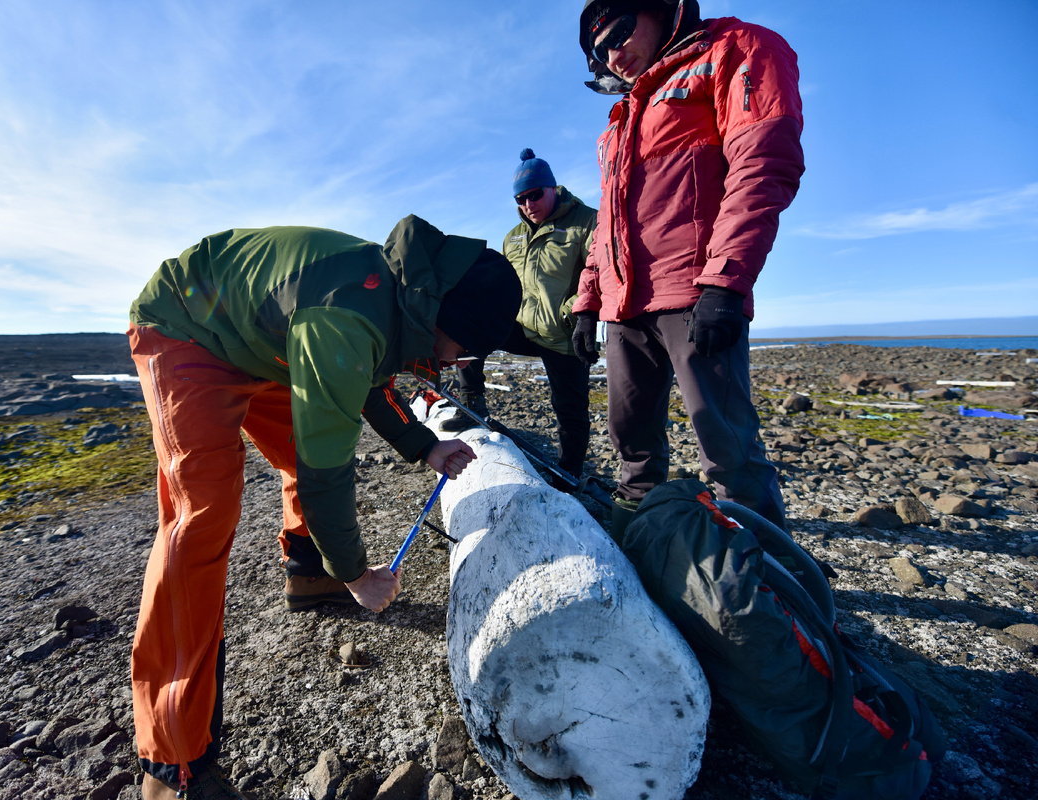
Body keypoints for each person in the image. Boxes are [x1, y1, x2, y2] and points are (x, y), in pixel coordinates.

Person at [126, 215, 522, 799]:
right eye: (468, 347)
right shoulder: (347, 317)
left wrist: (425, 445)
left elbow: (367, 381)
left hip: (261, 342)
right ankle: (172, 763)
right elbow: (326, 470)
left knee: (297, 442)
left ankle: (309, 576)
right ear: (448, 319)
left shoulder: (401, 293)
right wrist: (357, 574)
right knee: (201, 517)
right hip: (187, 327)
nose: (463, 360)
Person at [571, 0, 805, 539]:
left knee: (727, 447)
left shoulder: (733, 49)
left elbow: (761, 165)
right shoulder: (621, 118)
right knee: (631, 439)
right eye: (600, 52)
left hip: (694, 294)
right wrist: (588, 302)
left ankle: (764, 564)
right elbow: (608, 220)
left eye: (620, 32)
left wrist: (725, 281)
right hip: (625, 306)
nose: (613, 55)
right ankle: (641, 541)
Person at [443, 149, 597, 480]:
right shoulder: (513, 237)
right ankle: (472, 403)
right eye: (521, 198)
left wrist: (574, 314)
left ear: (553, 188)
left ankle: (569, 473)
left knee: (570, 408)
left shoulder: (587, 222)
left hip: (562, 332)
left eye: (535, 194)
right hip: (522, 327)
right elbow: (500, 285)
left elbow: (597, 273)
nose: (528, 204)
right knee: (472, 325)